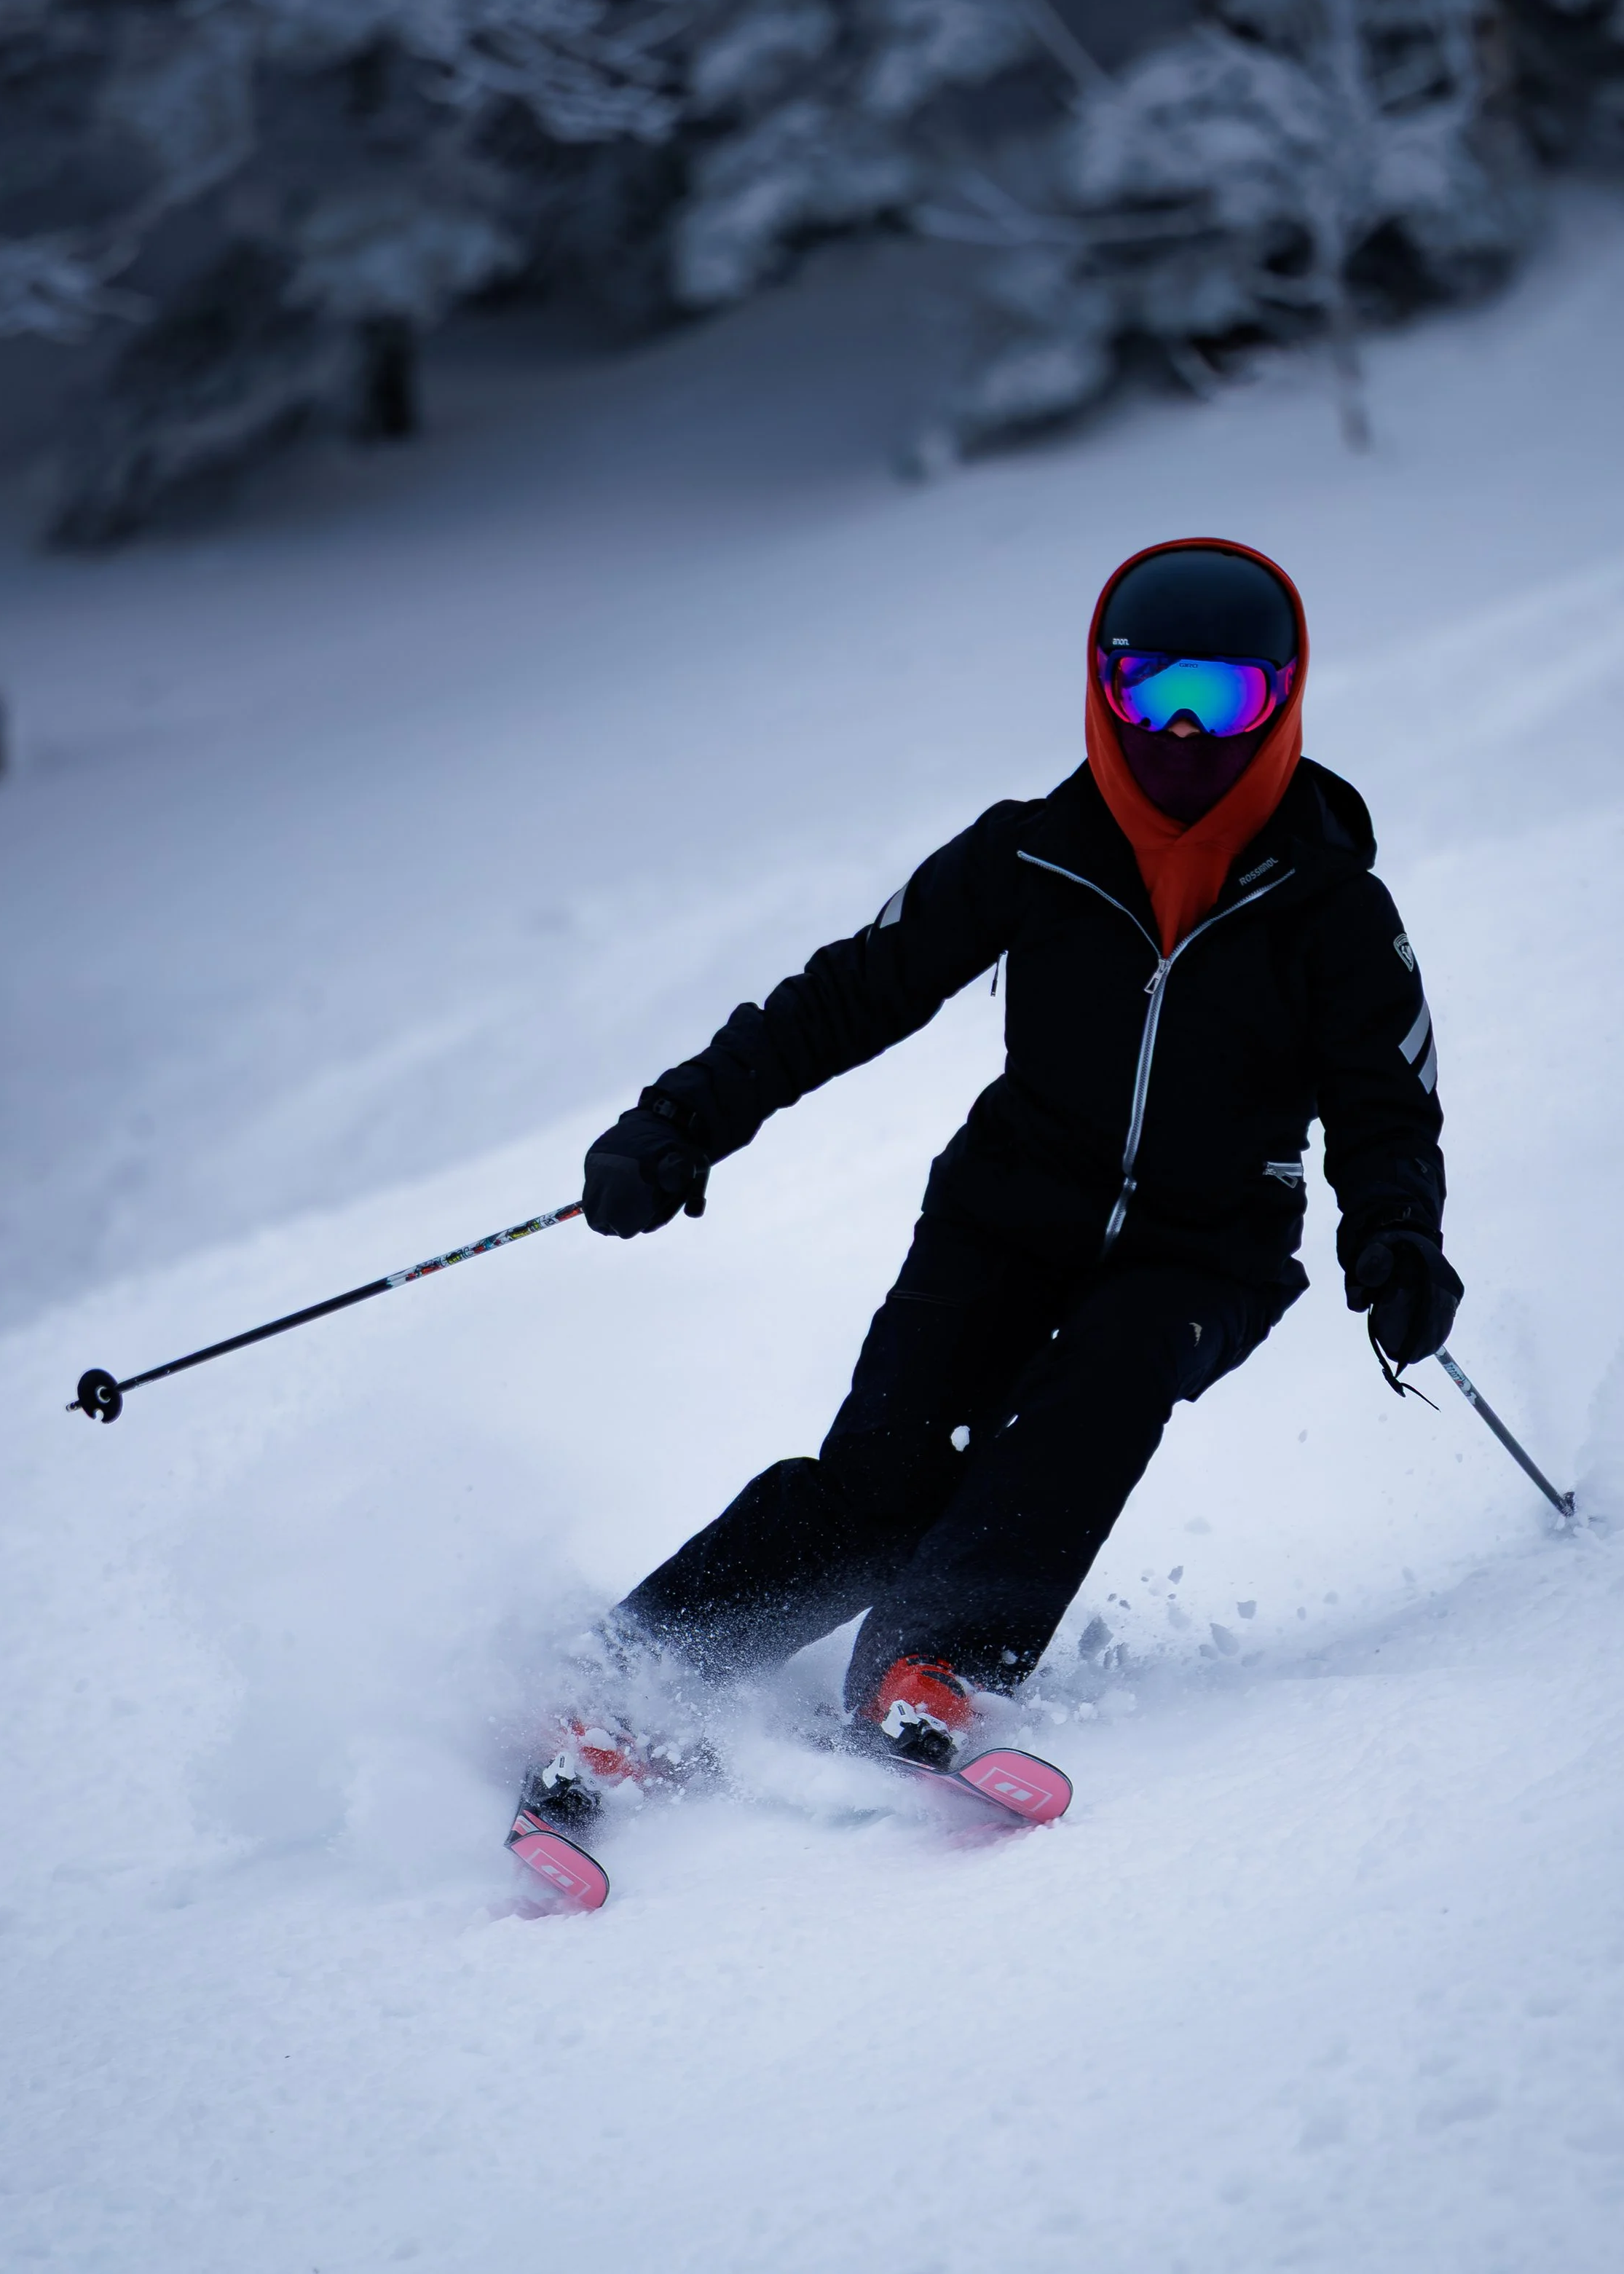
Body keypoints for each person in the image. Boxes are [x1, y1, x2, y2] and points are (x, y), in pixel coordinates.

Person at [524, 538, 1461, 1824]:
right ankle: (632, 1681)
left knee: (1107, 1382)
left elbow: (1386, 1103)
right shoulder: (1033, 854)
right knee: (882, 1482)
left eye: (1225, 696)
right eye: (1152, 692)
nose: (1185, 732)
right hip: (1006, 1218)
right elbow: (849, 994)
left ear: (1284, 700)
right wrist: (682, 1121)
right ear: (1102, 688)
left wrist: (1400, 1235)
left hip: (1210, 1249)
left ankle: (936, 1665)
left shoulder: (1335, 909)